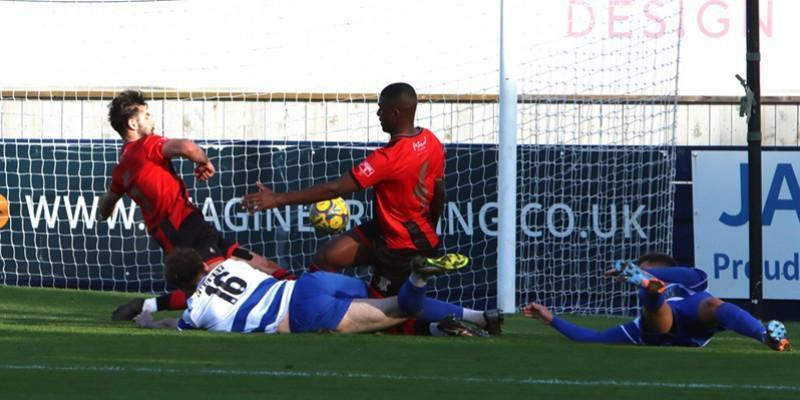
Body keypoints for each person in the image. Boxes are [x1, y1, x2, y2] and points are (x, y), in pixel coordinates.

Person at [241, 83, 501, 334]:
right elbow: (439, 193)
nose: (377, 114)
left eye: (381, 109)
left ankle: (466, 321)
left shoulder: (388, 158)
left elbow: (336, 189)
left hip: (401, 246)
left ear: (395, 113)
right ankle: (311, 311)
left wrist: (278, 199)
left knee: (389, 312)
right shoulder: (431, 141)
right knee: (328, 257)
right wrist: (429, 226)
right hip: (387, 232)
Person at [99, 90, 292, 321]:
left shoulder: (121, 168)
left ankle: (299, 290)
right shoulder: (147, 146)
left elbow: (107, 203)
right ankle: (147, 305)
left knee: (263, 265)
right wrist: (205, 162)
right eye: (146, 114)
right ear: (133, 123)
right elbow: (187, 147)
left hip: (189, 225)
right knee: (213, 286)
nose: (152, 120)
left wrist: (105, 211)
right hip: (182, 228)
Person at [134, 248, 480, 336]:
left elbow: (174, 325)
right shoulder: (229, 265)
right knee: (386, 302)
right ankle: (477, 317)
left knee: (400, 309)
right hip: (310, 282)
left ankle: (418, 277)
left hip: (300, 315)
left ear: (181, 285)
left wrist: (148, 321)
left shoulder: (195, 311)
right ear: (203, 264)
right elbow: (267, 268)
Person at [523, 253, 790, 352]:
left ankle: (766, 336)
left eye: (646, 269)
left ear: (663, 267)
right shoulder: (637, 324)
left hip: (694, 316)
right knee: (654, 306)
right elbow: (591, 339)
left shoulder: (689, 281)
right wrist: (551, 319)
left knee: (714, 305)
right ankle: (650, 290)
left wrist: (644, 274)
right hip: (662, 322)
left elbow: (689, 275)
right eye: (640, 271)